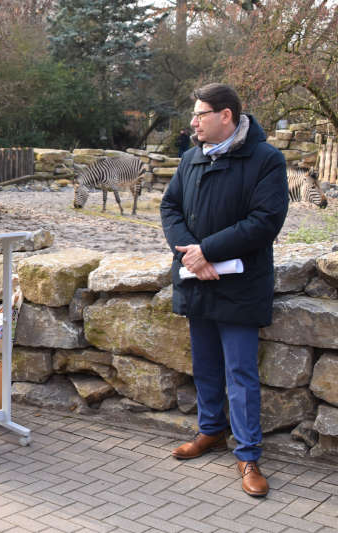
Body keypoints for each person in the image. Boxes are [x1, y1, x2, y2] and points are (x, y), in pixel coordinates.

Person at [160, 83, 288, 497]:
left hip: (241, 283)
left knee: (240, 372)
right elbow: (170, 208)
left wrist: (207, 251)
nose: (193, 122)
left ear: (226, 116)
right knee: (207, 365)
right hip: (198, 281)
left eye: (200, 114)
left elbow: (265, 220)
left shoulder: (266, 159)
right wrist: (190, 257)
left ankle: (248, 454)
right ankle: (210, 431)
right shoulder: (190, 158)